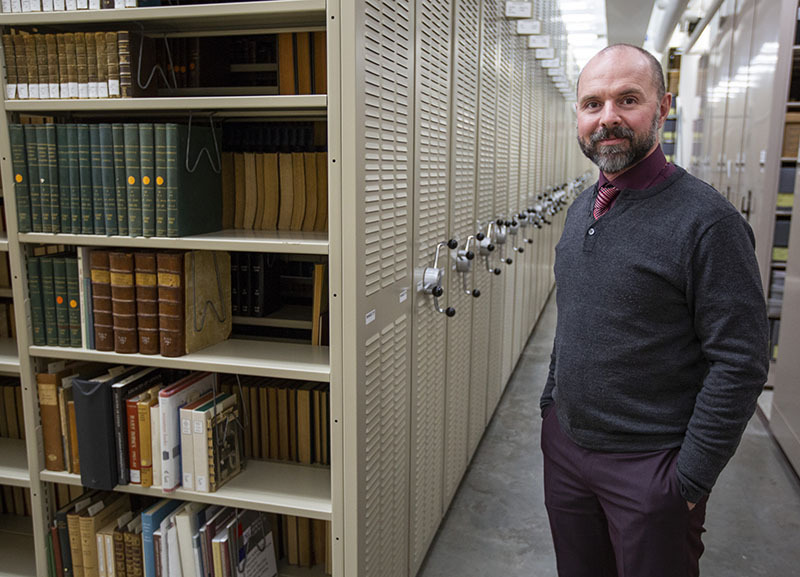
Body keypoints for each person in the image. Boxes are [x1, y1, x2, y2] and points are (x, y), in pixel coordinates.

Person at [539, 43, 768, 577]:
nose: (607, 117)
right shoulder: (580, 210)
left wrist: (687, 481)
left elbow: (740, 361)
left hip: (651, 467)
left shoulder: (707, 222)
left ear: (662, 108)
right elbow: (573, 317)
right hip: (567, 451)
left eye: (627, 99)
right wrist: (552, 408)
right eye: (592, 103)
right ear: (578, 115)